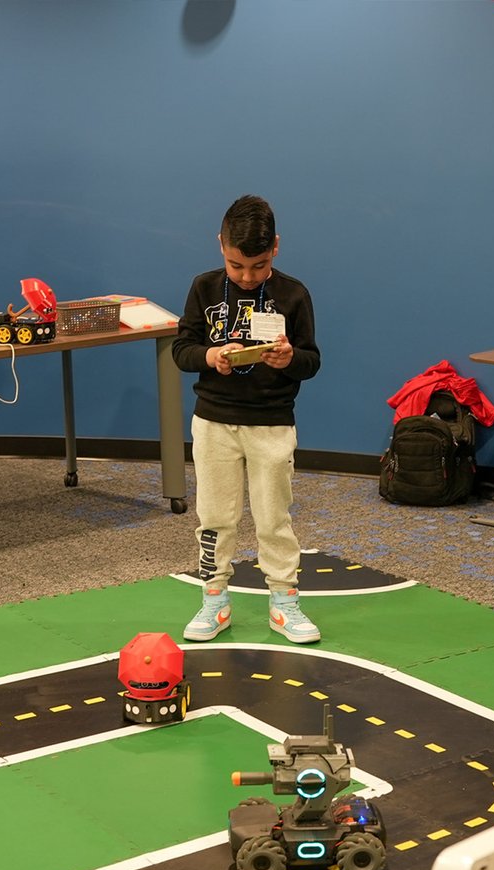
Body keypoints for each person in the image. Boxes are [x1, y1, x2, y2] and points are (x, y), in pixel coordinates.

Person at [172, 195, 322, 644]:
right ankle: (214, 600)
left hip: (272, 423)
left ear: (275, 247)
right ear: (220, 245)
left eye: (257, 266)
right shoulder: (203, 288)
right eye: (237, 265)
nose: (247, 275)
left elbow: (312, 361)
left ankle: (284, 601)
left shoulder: (293, 294)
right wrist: (211, 355)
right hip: (214, 422)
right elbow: (182, 351)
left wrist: (290, 358)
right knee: (214, 516)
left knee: (274, 516)